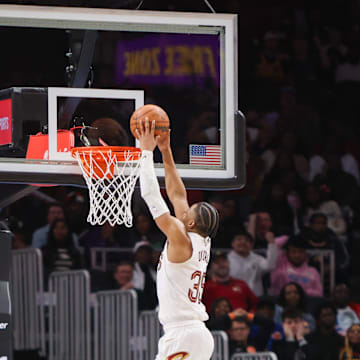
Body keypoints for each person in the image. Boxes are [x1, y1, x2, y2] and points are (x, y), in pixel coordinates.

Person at [136, 118, 219, 360]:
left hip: (185, 334)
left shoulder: (181, 240)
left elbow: (151, 195)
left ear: (190, 222)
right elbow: (177, 193)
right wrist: (166, 150)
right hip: (187, 334)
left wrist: (146, 153)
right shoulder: (199, 237)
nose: (183, 208)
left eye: (188, 210)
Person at [227, 231, 278, 296]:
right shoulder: (226, 260)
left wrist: (272, 243)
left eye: (247, 240)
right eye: (239, 239)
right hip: (233, 297)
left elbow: (270, 266)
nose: (243, 242)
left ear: (251, 245)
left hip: (255, 297)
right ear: (232, 243)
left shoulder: (257, 259)